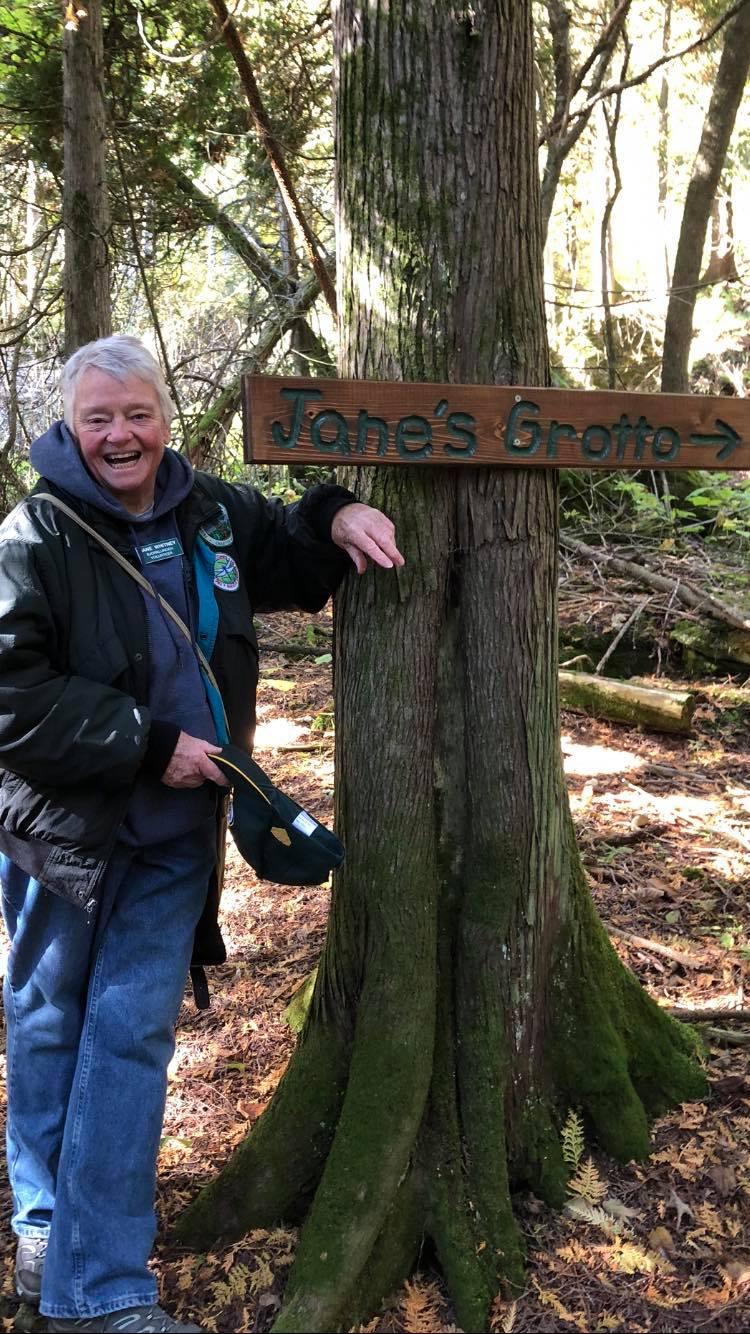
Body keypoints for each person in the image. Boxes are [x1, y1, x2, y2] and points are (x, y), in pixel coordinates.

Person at [0, 334, 404, 1333]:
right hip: (63, 832)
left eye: (136, 414)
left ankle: (93, 1286)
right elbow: (11, 692)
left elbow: (293, 550)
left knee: (127, 1037)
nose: (120, 435)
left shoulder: (209, 510)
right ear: (71, 425)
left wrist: (339, 511)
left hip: (179, 829)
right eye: (99, 419)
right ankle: (48, 1227)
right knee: (51, 1024)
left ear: (165, 415)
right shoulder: (34, 535)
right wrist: (146, 743)